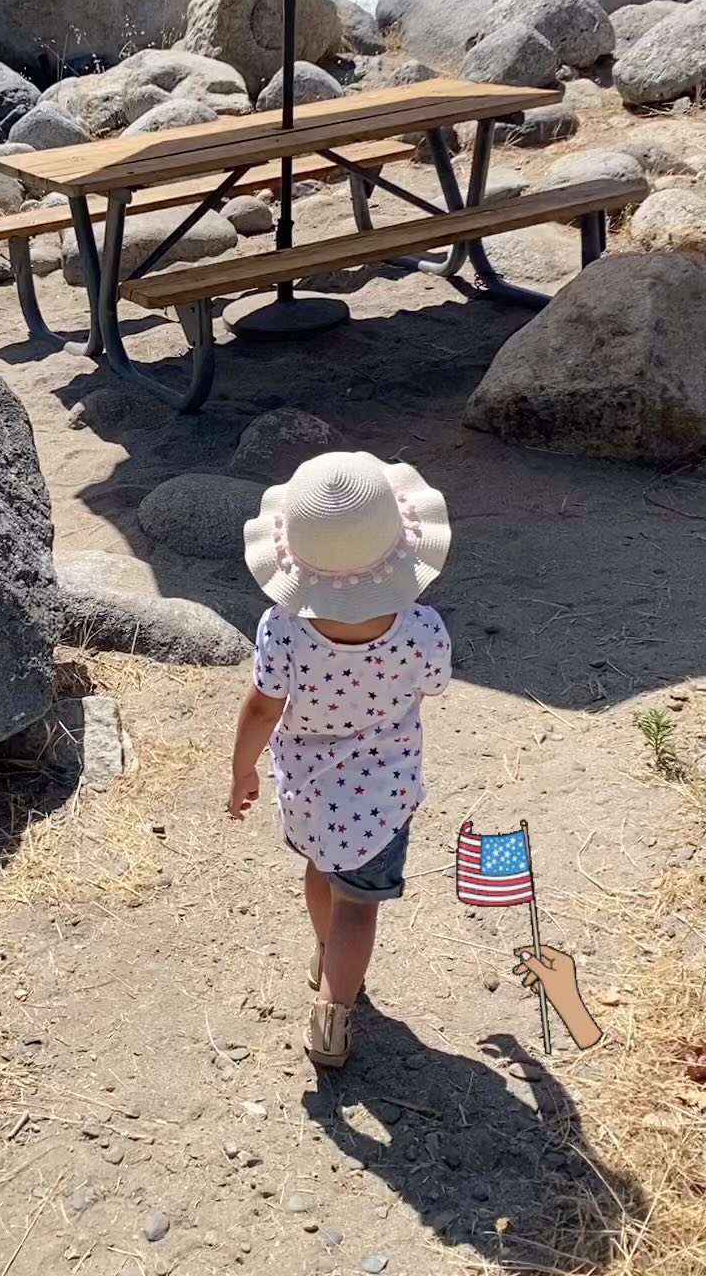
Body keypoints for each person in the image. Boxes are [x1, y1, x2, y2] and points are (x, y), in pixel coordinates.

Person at [228, 450, 452, 1068]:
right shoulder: (422, 628)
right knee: (359, 903)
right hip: (382, 798)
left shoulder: (282, 629)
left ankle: (326, 954)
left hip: (307, 790)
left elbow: (261, 710)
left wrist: (243, 771)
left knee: (321, 871)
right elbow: (433, 685)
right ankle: (334, 1013)